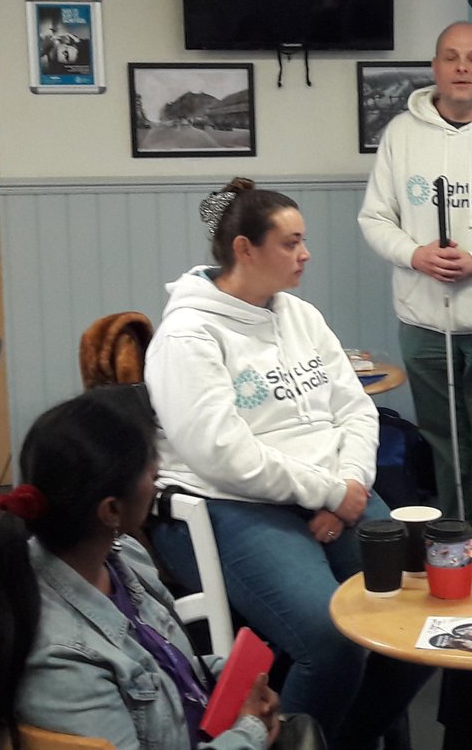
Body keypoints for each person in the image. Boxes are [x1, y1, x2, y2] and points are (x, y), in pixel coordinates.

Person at [144, 178, 425, 745]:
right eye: (290, 243)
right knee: (330, 638)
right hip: (228, 503)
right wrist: (328, 493)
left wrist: (348, 485)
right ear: (245, 249)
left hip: (329, 491)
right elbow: (222, 454)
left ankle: (342, 738)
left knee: (420, 611)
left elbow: (356, 409)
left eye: (304, 241)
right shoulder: (188, 335)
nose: (305, 254)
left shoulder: (300, 314)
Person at [0, 387, 281, 749]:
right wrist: (249, 732)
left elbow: (161, 669)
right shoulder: (64, 663)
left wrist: (231, 679)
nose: (156, 474)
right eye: (148, 471)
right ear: (111, 510)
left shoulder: (123, 558)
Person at [358, 21, 472, 533]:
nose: (462, 68)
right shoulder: (401, 135)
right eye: (451, 57)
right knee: (442, 445)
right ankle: (448, 545)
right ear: (435, 67)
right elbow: (374, 218)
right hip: (423, 324)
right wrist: (415, 255)